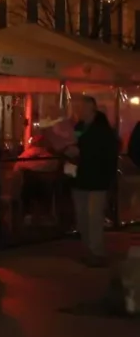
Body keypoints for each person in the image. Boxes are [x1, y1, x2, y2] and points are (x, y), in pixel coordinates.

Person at [67, 96, 117, 266]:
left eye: (81, 107)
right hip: (80, 178)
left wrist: (79, 151)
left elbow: (105, 154)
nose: (78, 111)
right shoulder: (79, 126)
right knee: (82, 216)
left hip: (97, 179)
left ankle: (96, 251)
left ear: (91, 108)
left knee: (94, 216)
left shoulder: (102, 129)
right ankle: (88, 249)